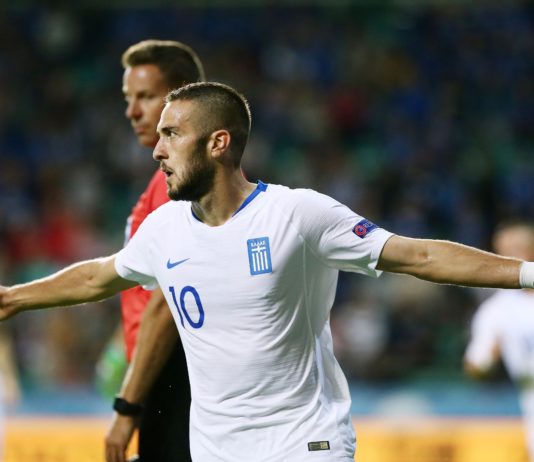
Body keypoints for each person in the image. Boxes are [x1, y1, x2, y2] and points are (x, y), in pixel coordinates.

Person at [1, 81, 534, 462]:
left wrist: (528, 274)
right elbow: (98, 276)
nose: (157, 150)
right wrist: (14, 298)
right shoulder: (164, 229)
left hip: (304, 444)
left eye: (172, 134)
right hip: (215, 450)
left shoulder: (296, 214)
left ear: (218, 143)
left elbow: (418, 256)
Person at [104, 39, 205, 462]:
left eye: (145, 97)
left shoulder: (177, 188)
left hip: (173, 376)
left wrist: (127, 406)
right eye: (129, 98)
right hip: (164, 377)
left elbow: (166, 303)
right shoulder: (160, 184)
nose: (132, 111)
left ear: (180, 99)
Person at [464, 221, 534, 461]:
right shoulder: (497, 310)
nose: (508, 258)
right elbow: (475, 364)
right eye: (502, 252)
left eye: (515, 249)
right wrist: (487, 360)